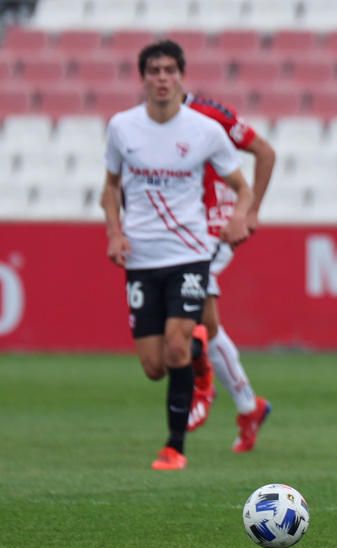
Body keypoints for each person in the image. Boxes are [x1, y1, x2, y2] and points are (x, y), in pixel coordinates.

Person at [102, 40, 252, 470]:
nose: (163, 78)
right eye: (154, 71)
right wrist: (115, 234)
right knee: (153, 366)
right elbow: (110, 187)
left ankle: (174, 448)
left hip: (189, 252)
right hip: (141, 258)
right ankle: (197, 354)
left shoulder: (204, 131)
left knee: (174, 345)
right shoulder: (122, 127)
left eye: (170, 70)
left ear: (181, 75)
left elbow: (242, 186)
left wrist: (241, 217)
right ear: (144, 77)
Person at [182, 89, 276, 453]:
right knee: (205, 322)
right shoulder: (151, 122)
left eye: (168, 71)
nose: (161, 81)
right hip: (183, 229)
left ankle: (204, 387)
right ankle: (249, 405)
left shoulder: (208, 113)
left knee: (189, 314)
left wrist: (250, 211)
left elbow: (265, 151)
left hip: (216, 227)